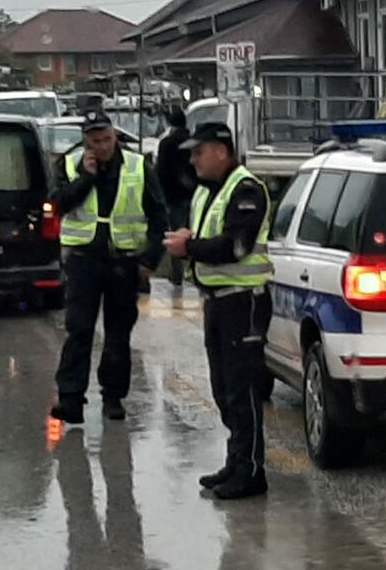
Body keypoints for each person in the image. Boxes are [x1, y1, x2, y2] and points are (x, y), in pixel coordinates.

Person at [163, 122, 273, 500]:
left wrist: (189, 247)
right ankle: (237, 460)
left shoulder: (246, 190)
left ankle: (252, 471)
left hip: (243, 301)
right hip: (218, 301)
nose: (193, 160)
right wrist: (190, 243)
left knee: (243, 388)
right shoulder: (208, 191)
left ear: (221, 152)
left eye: (199, 152)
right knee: (224, 388)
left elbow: (235, 246)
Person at [51, 111, 167, 425]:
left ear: (115, 136)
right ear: (85, 142)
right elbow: (58, 204)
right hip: (83, 259)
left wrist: (149, 260)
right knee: (79, 329)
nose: (102, 147)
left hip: (123, 262)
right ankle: (70, 398)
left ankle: (113, 397)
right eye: (95, 141)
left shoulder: (138, 166)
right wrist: (86, 178)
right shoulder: (70, 165)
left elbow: (159, 215)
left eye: (106, 139)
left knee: (118, 333)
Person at [153, 106, 198, 293]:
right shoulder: (192, 142)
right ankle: (193, 271)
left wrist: (161, 195)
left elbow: (161, 171)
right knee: (192, 234)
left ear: (170, 124)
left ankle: (177, 272)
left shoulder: (167, 144)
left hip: (172, 197)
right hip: (193, 195)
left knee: (175, 236)